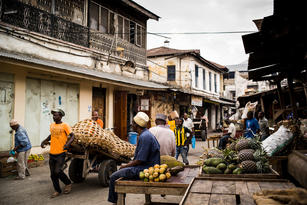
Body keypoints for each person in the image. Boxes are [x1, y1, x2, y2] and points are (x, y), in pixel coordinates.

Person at [108, 112, 160, 204]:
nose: (132, 124)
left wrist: (126, 166)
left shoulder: (145, 137)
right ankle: (119, 198)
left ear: (137, 125)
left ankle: (115, 202)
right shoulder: (145, 134)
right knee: (120, 172)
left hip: (144, 169)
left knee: (113, 176)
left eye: (133, 123)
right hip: (144, 166)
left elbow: (140, 160)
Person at [41, 108, 75, 198]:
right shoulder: (52, 125)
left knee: (58, 171)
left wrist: (67, 144)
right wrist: (44, 141)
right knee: (52, 174)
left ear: (60, 116)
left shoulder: (65, 125)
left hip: (61, 152)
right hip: (52, 153)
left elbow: (72, 136)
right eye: (53, 115)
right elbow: (51, 135)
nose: (54, 116)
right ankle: (57, 190)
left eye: (55, 115)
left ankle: (68, 183)